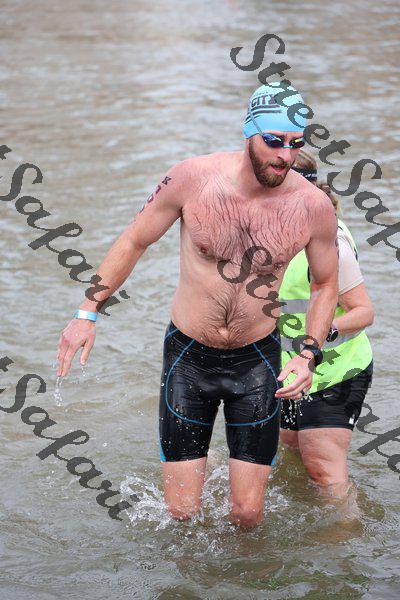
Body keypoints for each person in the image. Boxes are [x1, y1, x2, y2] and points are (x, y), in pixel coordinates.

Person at [57, 82, 339, 528]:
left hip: (256, 360)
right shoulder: (191, 179)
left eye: (295, 143)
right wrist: (86, 313)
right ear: (249, 131)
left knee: (248, 515)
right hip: (189, 358)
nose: (285, 155)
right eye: (274, 141)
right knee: (181, 514)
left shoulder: (311, 206)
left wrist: (308, 355)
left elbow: (325, 283)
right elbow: (134, 240)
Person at [279, 148, 374, 499]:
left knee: (323, 467)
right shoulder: (270, 233)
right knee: (290, 448)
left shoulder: (333, 243)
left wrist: (319, 336)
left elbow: (364, 312)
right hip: (288, 369)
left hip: (337, 370)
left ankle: (347, 531)